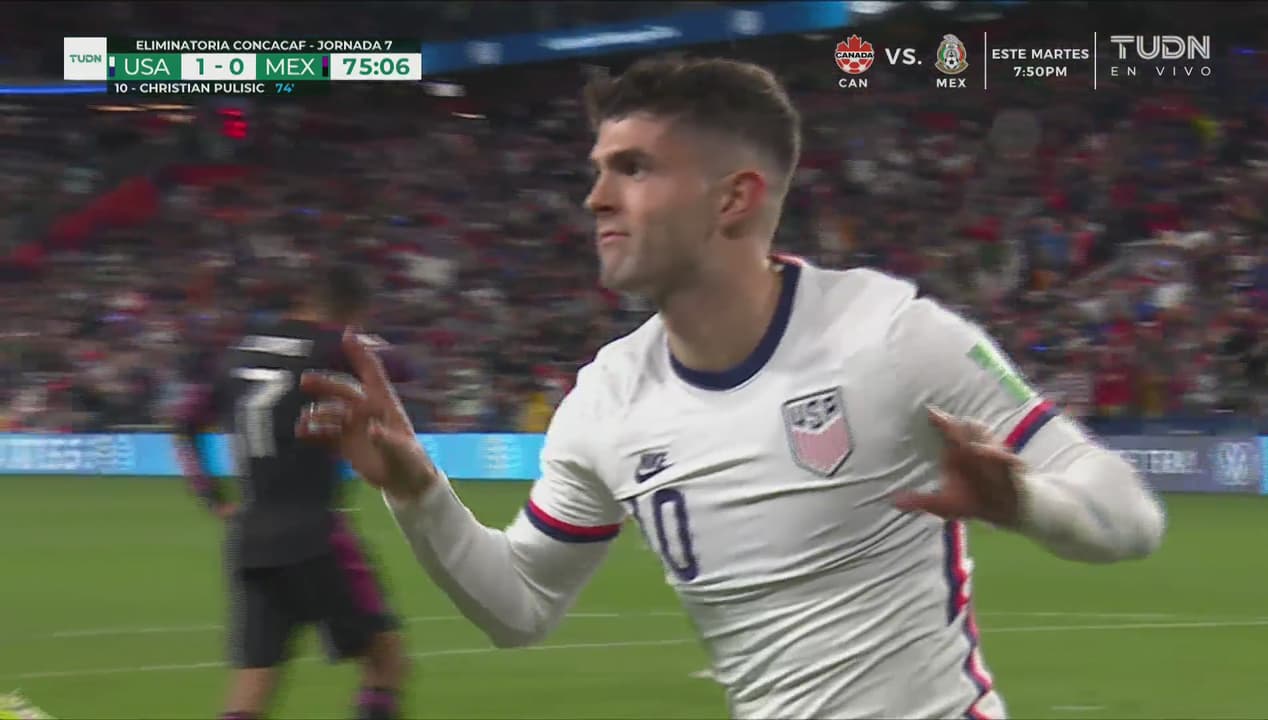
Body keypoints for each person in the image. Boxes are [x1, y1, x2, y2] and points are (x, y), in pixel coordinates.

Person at [295, 56, 1166, 719]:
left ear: (734, 199)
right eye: (599, 168)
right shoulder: (606, 401)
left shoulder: (891, 336)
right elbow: (520, 605)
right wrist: (417, 490)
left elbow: (1129, 513)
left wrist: (1024, 502)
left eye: (634, 168)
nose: (596, 197)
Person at [178, 261, 409, 720]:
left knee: (253, 683)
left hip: (250, 536)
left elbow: (185, 424)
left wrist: (215, 498)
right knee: (386, 661)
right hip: (315, 533)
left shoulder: (238, 353)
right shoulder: (337, 345)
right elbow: (404, 367)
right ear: (354, 309)